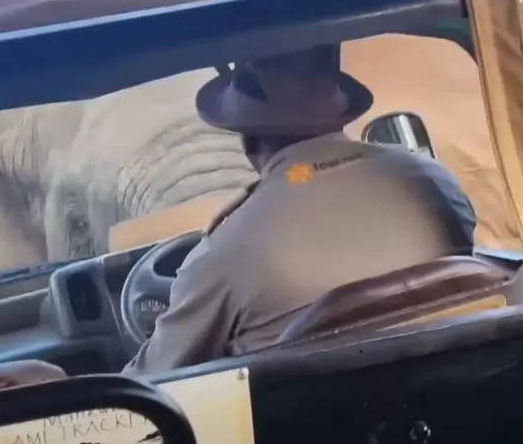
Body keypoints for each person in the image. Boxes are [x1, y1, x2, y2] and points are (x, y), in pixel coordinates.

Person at [124, 45, 477, 374]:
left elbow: (154, 382)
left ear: (247, 138)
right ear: (338, 115)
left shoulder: (229, 249)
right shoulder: (436, 182)